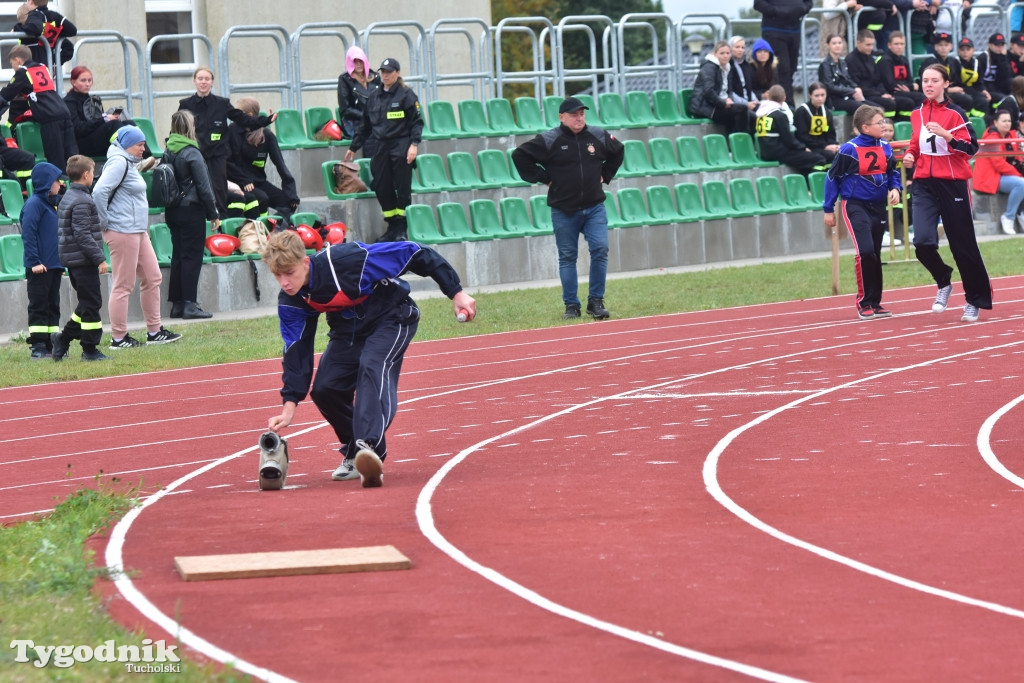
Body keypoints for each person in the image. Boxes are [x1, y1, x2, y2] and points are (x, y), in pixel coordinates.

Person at [262, 229, 477, 488]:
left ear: (305, 262)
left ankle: (369, 446)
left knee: (372, 366)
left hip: (393, 316)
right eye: (278, 275)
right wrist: (289, 403)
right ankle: (357, 452)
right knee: (325, 389)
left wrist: (456, 292)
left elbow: (414, 252)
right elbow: (296, 348)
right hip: (349, 329)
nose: (285, 282)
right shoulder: (292, 299)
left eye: (290, 273)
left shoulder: (347, 260)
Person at [511, 96, 624, 320]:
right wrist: (544, 177)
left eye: (582, 113)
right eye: (574, 114)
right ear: (562, 117)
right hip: (564, 209)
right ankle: (571, 305)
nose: (579, 118)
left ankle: (596, 302)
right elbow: (520, 155)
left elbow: (618, 151)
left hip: (594, 207)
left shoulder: (598, 135)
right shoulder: (550, 139)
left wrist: (606, 175)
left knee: (600, 249)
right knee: (567, 257)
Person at [902, 63, 993, 322]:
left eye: (934, 80)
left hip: (951, 184)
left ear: (945, 84)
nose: (928, 85)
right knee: (922, 243)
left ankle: (974, 300)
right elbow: (915, 142)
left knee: (962, 245)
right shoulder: (917, 113)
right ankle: (944, 280)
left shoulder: (956, 114)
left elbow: (971, 149)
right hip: (923, 185)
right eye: (925, 81)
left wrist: (948, 137)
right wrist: (910, 154)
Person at [93, 126, 182, 348]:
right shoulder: (119, 162)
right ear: (126, 144)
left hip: (137, 230)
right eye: (139, 144)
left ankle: (154, 331)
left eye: (143, 144)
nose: (144, 148)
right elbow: (98, 192)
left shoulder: (129, 162)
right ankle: (119, 337)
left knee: (152, 277)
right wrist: (104, 223)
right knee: (123, 285)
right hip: (122, 230)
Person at [823, 105, 902, 319]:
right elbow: (832, 177)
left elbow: (892, 171)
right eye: (880, 123)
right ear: (865, 127)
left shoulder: (885, 147)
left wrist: (895, 188)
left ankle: (876, 303)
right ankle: (863, 302)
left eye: (884, 121)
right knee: (865, 251)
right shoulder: (849, 149)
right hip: (855, 205)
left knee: (875, 254)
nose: (884, 126)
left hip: (878, 206)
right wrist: (828, 209)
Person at [178, 66, 276, 218]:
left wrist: (266, 120)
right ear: (194, 81)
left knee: (219, 191)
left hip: (217, 157)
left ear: (212, 82)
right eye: (200, 79)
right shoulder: (185, 104)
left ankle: (221, 225)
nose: (203, 82)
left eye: (207, 79)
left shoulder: (222, 104)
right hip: (195, 156)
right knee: (196, 190)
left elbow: (243, 119)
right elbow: (178, 128)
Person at [345, 57, 422, 243]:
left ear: (397, 73)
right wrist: (353, 147)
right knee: (381, 185)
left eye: (389, 72)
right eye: (383, 72)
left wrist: (414, 145)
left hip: (401, 145)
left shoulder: (406, 94)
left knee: (402, 187)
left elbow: (416, 122)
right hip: (380, 146)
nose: (385, 75)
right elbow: (365, 126)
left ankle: (402, 226)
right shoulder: (374, 96)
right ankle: (391, 225)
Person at [51, 155, 108, 362]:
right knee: (92, 303)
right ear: (86, 175)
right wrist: (100, 258)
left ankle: (63, 339)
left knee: (86, 302)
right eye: (92, 173)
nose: (93, 176)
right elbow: (82, 235)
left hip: (75, 261)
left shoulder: (69, 197)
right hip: (83, 261)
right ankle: (90, 349)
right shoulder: (83, 200)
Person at [165, 110, 219, 320]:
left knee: (178, 256)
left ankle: (177, 305)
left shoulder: (168, 149)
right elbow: (204, 187)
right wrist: (213, 213)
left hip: (173, 211)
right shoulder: (192, 152)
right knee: (192, 258)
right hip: (191, 210)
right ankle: (189, 304)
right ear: (190, 127)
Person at [0, 44, 77, 171]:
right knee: (72, 156)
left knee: (56, 160)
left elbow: (6, 94)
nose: (13, 68)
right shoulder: (43, 67)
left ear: (18, 60)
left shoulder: (22, 71)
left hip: (49, 117)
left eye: (12, 64)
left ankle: (61, 189)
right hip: (63, 111)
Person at [226, 97, 299, 224]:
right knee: (261, 198)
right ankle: (255, 231)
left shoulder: (267, 135)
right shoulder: (231, 131)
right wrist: (244, 180)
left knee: (288, 203)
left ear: (248, 115)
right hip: (238, 182)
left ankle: (273, 227)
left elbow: (280, 165)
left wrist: (291, 194)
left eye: (238, 113)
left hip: (259, 182)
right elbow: (227, 162)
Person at [20, 161, 65, 359]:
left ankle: (51, 343)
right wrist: (34, 261)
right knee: (39, 305)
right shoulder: (34, 205)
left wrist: (59, 264)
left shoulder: (50, 203)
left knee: (53, 305)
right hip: (39, 267)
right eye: (57, 181)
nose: (61, 184)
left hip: (53, 266)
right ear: (47, 182)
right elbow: (28, 235)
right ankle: (38, 345)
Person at [63, 65, 151, 163]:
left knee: (128, 123)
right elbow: (78, 129)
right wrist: (104, 119)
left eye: (89, 80)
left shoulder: (92, 100)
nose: (87, 84)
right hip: (82, 145)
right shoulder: (69, 102)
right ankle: (133, 156)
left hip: (95, 140)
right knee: (114, 124)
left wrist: (108, 118)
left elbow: (96, 123)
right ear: (73, 82)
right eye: (83, 81)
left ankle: (147, 157)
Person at [755, 85, 828, 175]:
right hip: (778, 153)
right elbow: (788, 140)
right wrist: (803, 147)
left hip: (765, 152)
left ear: (769, 97)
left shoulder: (761, 114)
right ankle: (810, 186)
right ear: (784, 98)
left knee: (806, 159)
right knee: (819, 159)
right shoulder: (779, 115)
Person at [973, 109, 1024, 235]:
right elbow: (999, 164)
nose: (1007, 123)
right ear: (995, 122)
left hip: (1002, 176)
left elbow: (1017, 157)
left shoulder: (1010, 135)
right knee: (1021, 184)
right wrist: (1019, 174)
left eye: (1009, 121)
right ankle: (1009, 217)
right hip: (989, 178)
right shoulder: (991, 138)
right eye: (1004, 121)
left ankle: (1021, 213)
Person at [753, 0, 812, 106]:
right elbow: (758, 3)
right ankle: (787, 105)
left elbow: (809, 2)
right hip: (774, 29)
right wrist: (776, 11)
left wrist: (802, 8)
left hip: (794, 30)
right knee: (781, 69)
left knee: (792, 68)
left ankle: (784, 101)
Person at [687, 41, 752, 135]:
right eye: (722, 53)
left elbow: (729, 90)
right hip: (706, 107)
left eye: (727, 53)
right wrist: (723, 103)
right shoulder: (709, 67)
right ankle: (739, 143)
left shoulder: (728, 67)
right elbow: (708, 92)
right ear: (715, 54)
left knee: (752, 116)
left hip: (719, 105)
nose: (725, 56)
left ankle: (745, 144)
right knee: (741, 110)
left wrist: (730, 99)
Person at [336, 45, 381, 155]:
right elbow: (345, 109)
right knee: (370, 133)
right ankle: (371, 165)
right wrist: (368, 116)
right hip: (356, 122)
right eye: (355, 61)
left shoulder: (375, 77)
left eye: (360, 61)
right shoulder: (345, 79)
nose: (358, 64)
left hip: (376, 120)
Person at [917, 32, 974, 114]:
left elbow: (958, 82)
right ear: (936, 47)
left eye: (946, 45)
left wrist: (961, 89)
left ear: (951, 46)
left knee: (974, 97)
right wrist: (949, 89)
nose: (943, 48)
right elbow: (927, 84)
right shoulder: (929, 62)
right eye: (940, 45)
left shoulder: (953, 61)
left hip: (951, 91)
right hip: (936, 93)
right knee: (966, 99)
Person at [847, 30, 899, 119]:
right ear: (858, 43)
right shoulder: (850, 60)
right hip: (865, 95)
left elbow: (878, 80)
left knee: (900, 102)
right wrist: (880, 94)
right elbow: (858, 85)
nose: (871, 48)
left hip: (875, 93)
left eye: (872, 45)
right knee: (887, 104)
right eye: (868, 45)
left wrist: (884, 93)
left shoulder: (870, 57)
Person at [877, 31, 926, 119]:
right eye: (896, 44)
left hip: (904, 91)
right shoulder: (885, 61)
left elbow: (910, 80)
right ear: (889, 45)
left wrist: (909, 86)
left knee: (922, 96)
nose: (899, 47)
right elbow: (890, 84)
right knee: (916, 98)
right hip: (891, 92)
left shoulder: (904, 59)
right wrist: (910, 86)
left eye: (902, 44)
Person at [819, 33, 872, 115]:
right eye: (834, 43)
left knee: (876, 108)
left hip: (847, 96)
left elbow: (848, 79)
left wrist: (856, 88)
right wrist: (852, 91)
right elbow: (830, 87)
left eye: (840, 43)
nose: (837, 45)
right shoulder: (825, 65)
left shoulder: (842, 62)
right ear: (827, 45)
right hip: (834, 100)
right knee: (864, 110)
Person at [18, 0, 76, 69]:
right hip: (46, 69)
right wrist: (54, 62)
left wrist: (17, 28)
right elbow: (72, 30)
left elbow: (36, 28)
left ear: (30, 1)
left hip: (33, 69)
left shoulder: (34, 15)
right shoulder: (54, 15)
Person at [795, 82, 841, 164]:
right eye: (816, 96)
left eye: (823, 95)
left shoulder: (826, 111)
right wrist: (825, 146)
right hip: (810, 147)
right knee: (830, 156)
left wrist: (833, 145)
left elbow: (831, 133)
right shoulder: (802, 111)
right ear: (810, 95)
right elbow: (803, 136)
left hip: (824, 146)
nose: (820, 98)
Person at [956, 38, 992, 118]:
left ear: (973, 50)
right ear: (958, 50)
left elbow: (979, 82)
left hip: (972, 89)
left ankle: (983, 122)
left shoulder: (976, 63)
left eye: (968, 49)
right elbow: (955, 81)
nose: (965, 52)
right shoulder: (955, 62)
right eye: (962, 49)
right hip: (960, 90)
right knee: (969, 99)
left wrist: (984, 90)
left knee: (984, 99)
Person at [980, 32, 1012, 104]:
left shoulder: (1004, 56)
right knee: (1004, 99)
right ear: (990, 45)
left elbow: (1007, 75)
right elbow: (979, 78)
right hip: (986, 87)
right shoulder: (983, 57)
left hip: (998, 86)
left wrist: (1003, 59)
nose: (1000, 47)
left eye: (1002, 45)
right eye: (996, 45)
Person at [728, 36, 758, 111]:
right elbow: (729, 91)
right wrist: (746, 103)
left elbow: (748, 88)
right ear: (730, 48)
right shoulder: (728, 66)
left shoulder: (746, 65)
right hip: (737, 104)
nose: (740, 50)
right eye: (737, 47)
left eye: (742, 47)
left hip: (749, 102)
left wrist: (755, 100)